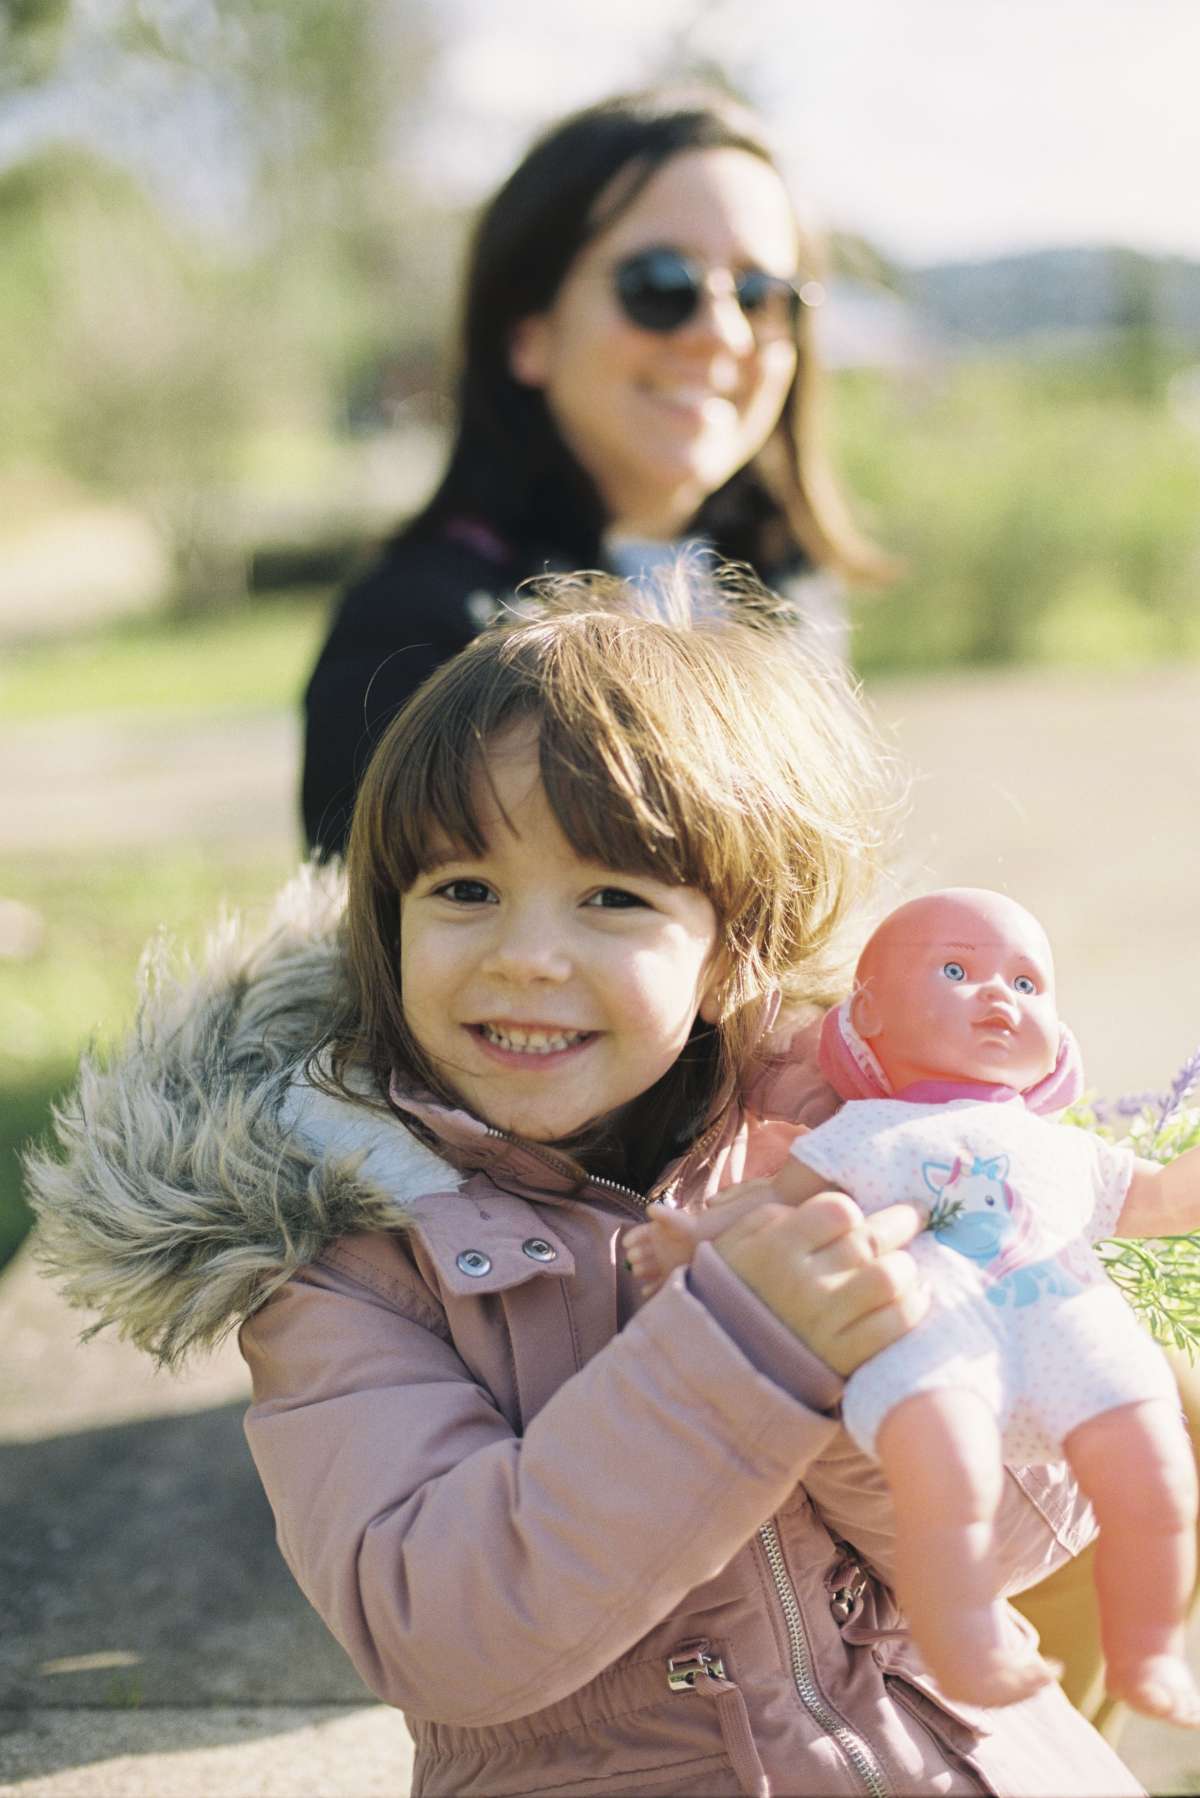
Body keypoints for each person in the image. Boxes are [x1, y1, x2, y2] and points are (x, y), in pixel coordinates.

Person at [31, 570, 1144, 1796]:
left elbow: (1028, 1537)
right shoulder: (349, 1254)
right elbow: (440, 1632)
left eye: (612, 897)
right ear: (387, 923)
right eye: (465, 890)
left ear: (735, 947)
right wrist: (743, 1355)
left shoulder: (865, 1145)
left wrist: (869, 1365)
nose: (527, 956)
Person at [629, 887, 1200, 1722]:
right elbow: (776, 1204)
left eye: (1027, 983)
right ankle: (963, 1635)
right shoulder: (866, 1134)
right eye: (957, 971)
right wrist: (695, 1238)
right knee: (945, 1476)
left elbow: (1164, 1200)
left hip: (1071, 1338)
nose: (999, 995)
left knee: (1158, 1469)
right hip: (941, 1343)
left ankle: (1147, 1651)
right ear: (870, 1015)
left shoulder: (1066, 1149)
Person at [301, 85, 891, 858]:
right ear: (527, 334)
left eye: (761, 296)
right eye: (662, 285)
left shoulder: (794, 592)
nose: (722, 332)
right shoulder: (414, 635)